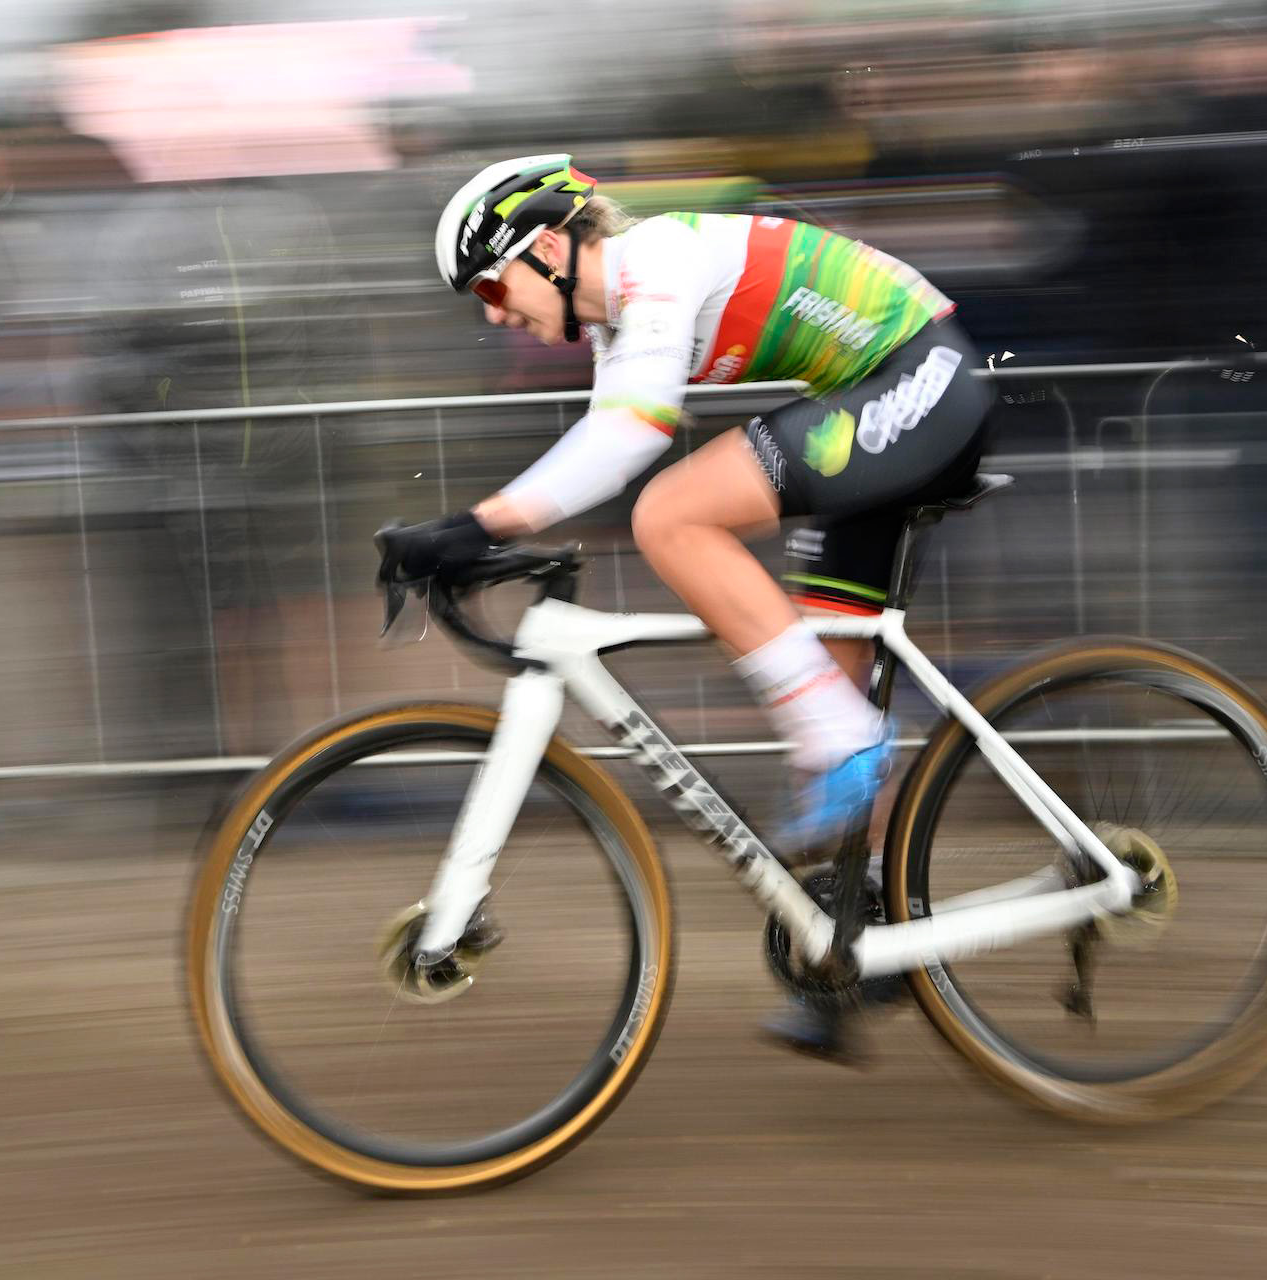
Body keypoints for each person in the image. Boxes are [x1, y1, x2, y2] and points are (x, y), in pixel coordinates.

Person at [384, 154, 994, 1058]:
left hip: (920, 376)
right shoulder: (616, 323)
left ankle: (849, 747)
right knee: (830, 673)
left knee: (673, 515)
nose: (490, 309)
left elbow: (632, 437)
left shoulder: (653, 263)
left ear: (548, 245)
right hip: (873, 394)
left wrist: (475, 527)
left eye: (488, 281)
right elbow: (599, 440)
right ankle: (856, 940)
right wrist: (482, 531)